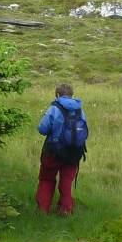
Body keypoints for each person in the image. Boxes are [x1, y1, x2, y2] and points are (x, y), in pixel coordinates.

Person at [36, 83, 86, 215]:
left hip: (53, 151)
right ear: (71, 95)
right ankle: (66, 209)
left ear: (57, 94)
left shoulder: (54, 108)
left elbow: (43, 129)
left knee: (47, 178)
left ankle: (43, 210)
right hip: (74, 153)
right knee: (66, 180)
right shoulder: (80, 109)